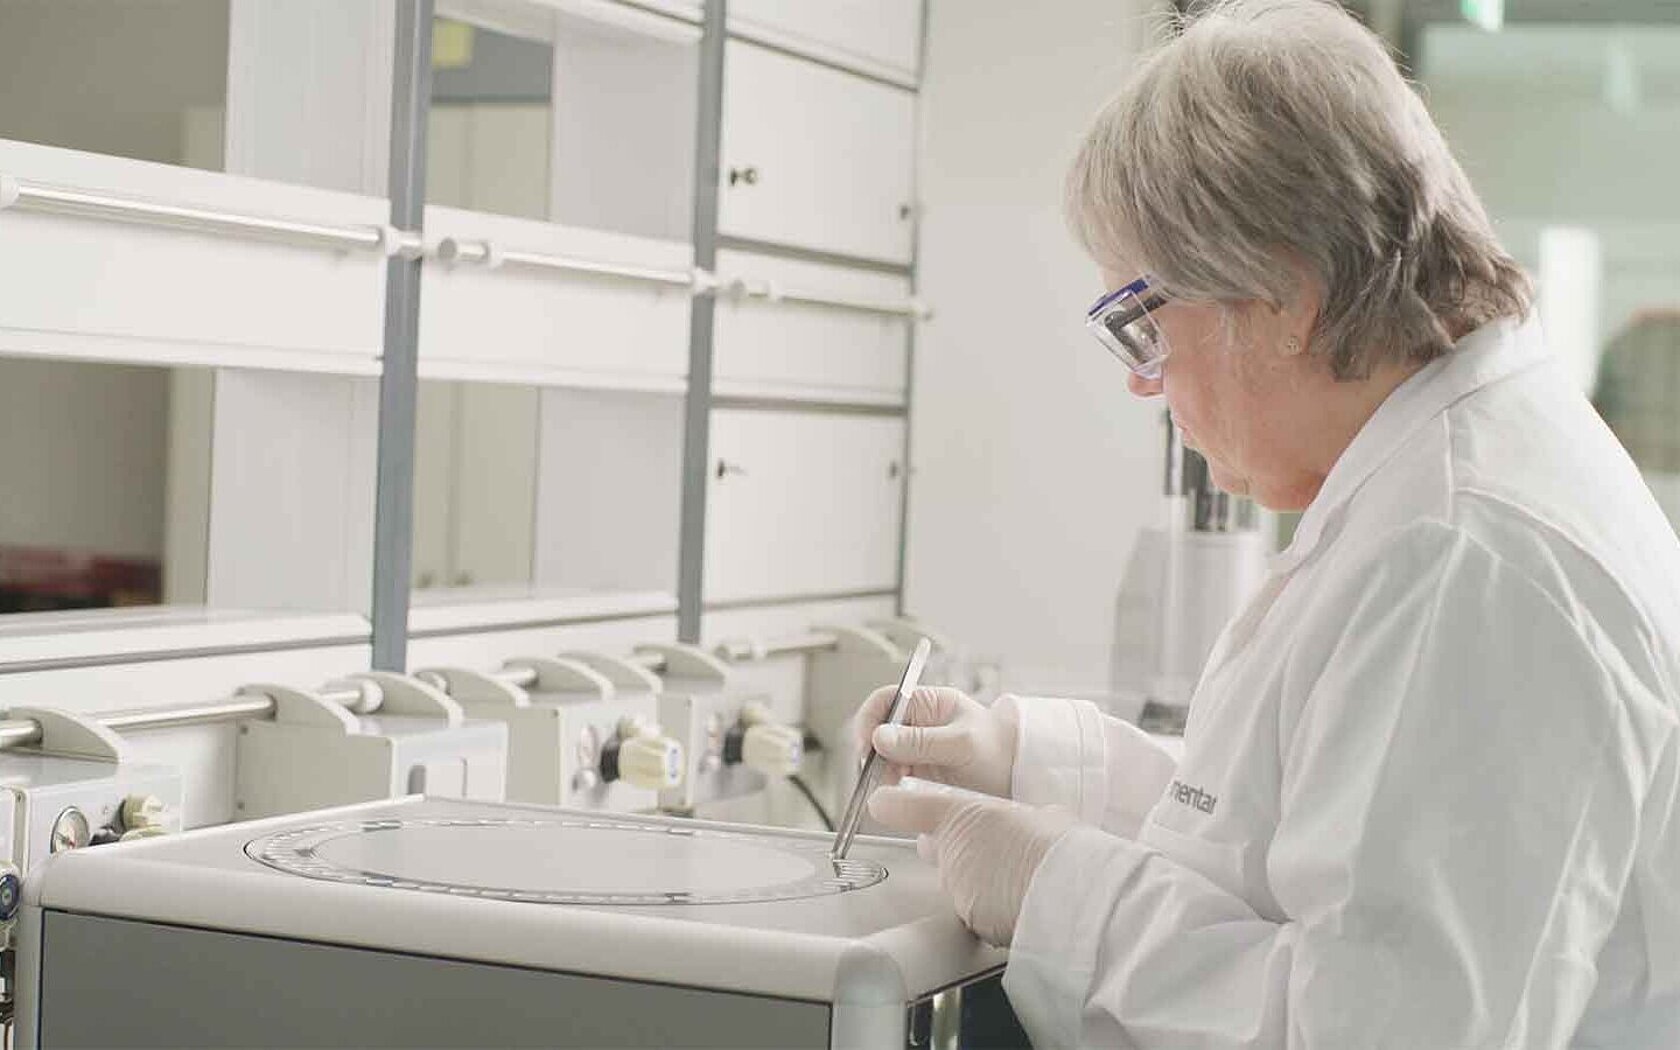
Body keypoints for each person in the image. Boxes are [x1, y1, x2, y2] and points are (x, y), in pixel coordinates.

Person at [855, 1, 1680, 1046]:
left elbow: (1382, 1027)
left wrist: (1057, 889)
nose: (1144, 384)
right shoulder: (1432, 490)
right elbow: (1311, 838)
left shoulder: (1467, 553)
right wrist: (1023, 757)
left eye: (1145, 325)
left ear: (1284, 293)